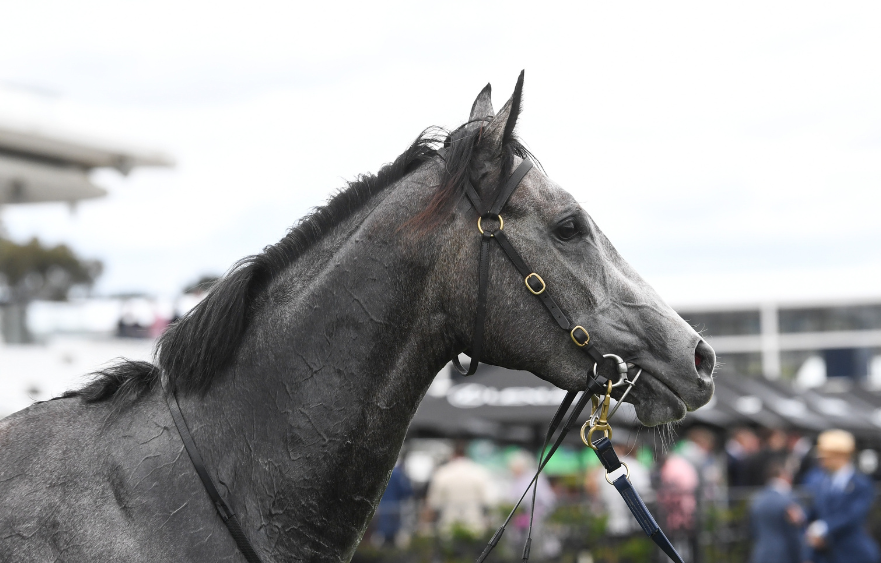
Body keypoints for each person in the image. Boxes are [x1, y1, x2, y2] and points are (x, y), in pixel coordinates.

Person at [804, 429, 880, 563]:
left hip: (853, 554)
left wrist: (824, 528)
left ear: (840, 456)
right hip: (826, 554)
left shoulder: (861, 484)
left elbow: (853, 516)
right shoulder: (823, 482)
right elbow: (816, 512)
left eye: (826, 457)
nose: (822, 461)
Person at [425, 441, 494, 536]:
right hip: (474, 522)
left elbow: (434, 503)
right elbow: (486, 501)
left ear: (452, 455)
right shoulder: (479, 472)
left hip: (449, 522)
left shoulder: (442, 472)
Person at [748, 461, 804, 563]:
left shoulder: (756, 500)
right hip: (784, 556)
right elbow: (795, 533)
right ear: (783, 475)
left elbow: (753, 530)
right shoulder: (788, 499)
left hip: (760, 555)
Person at [374, 460, 412, 546]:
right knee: (393, 533)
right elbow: (405, 491)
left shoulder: (382, 473)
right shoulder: (398, 474)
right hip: (394, 507)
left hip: (382, 507)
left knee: (384, 531)